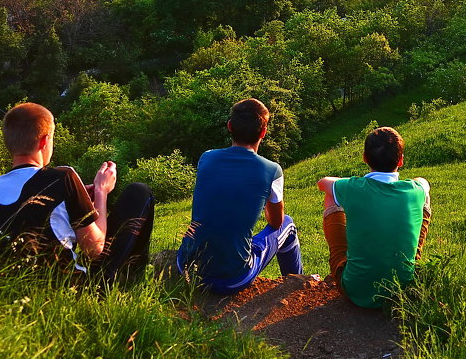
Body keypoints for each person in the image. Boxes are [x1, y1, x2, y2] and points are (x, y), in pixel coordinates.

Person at [0, 102, 154, 284]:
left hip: (8, 295)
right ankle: (131, 277)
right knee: (138, 192)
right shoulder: (62, 176)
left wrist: (78, 201)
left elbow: (26, 222)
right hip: (69, 293)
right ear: (44, 140)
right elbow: (94, 249)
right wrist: (101, 192)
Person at [176, 98, 302, 293]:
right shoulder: (272, 170)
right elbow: (276, 222)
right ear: (263, 133)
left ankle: (294, 283)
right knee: (288, 224)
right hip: (233, 278)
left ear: (229, 126)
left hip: (186, 268)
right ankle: (296, 284)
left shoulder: (207, 157)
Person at [317, 126, 431, 309]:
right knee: (424, 198)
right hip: (401, 288)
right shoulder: (414, 189)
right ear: (400, 160)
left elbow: (323, 183)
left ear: (365, 158)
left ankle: (340, 259)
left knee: (331, 195)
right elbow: (424, 183)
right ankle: (411, 261)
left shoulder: (354, 187)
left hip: (355, 289)